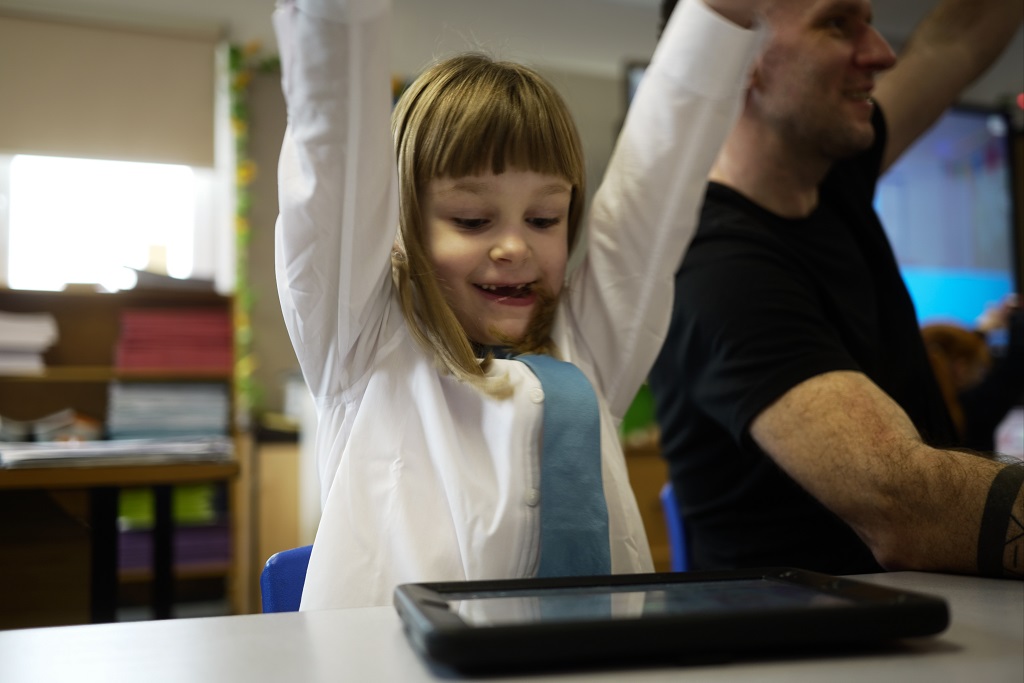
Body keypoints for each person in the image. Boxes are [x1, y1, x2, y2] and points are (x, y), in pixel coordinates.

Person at [273, 0, 764, 609]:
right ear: (401, 226)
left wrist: (720, 16)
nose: (513, 246)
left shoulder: (588, 345)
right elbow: (334, 152)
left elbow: (656, 187)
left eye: (543, 218)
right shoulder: (365, 346)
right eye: (473, 219)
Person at [649, 0, 1024, 578]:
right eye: (836, 25)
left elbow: (959, 39)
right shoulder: (716, 267)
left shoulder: (830, 175)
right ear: (739, 56)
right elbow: (902, 502)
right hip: (806, 658)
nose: (881, 52)